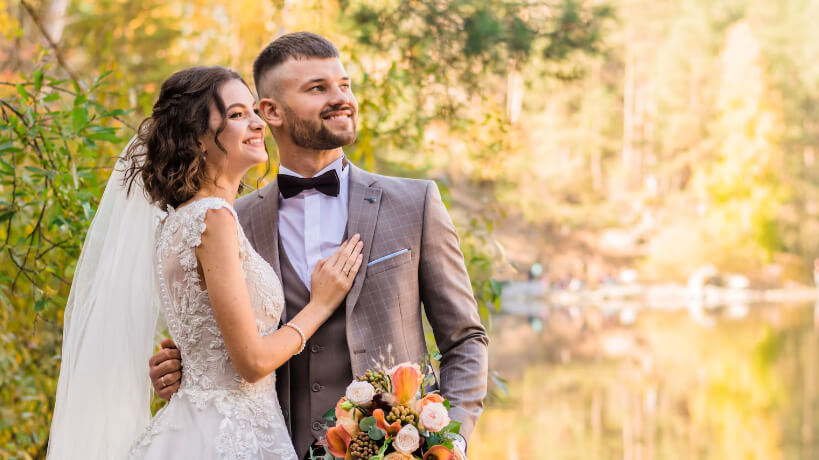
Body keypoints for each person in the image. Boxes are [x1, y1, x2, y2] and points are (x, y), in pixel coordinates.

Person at [147, 32, 489, 458]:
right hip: (273, 446)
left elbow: (465, 339)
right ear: (270, 111)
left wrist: (450, 441)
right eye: (318, 88)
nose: (341, 98)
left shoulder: (414, 204)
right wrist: (181, 367)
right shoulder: (233, 219)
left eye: (344, 85)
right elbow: (226, 342)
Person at [47, 66, 363, 459]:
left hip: (197, 425)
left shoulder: (175, 222)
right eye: (236, 115)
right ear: (198, 140)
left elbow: (204, 340)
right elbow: (251, 362)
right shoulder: (213, 219)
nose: (256, 123)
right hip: (230, 435)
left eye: (253, 111)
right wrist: (319, 305)